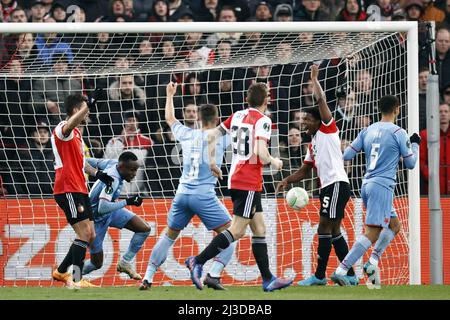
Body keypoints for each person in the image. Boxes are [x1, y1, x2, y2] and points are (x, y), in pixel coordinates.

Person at [185, 82, 293, 292]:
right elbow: (261, 152)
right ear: (266, 100)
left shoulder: (237, 115)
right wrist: (275, 162)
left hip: (238, 178)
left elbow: (210, 136)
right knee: (237, 230)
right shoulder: (263, 120)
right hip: (247, 181)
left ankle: (268, 278)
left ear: (247, 99)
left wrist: (213, 163)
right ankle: (197, 261)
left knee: (259, 228)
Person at [139, 82, 236, 291]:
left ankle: (147, 277)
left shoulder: (187, 134)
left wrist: (170, 95)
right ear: (217, 120)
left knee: (169, 235)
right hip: (203, 196)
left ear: (198, 119)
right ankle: (213, 274)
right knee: (231, 234)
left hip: (182, 193)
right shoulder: (221, 136)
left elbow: (170, 118)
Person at [276, 65, 357, 286]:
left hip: (337, 185)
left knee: (324, 227)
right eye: (302, 122)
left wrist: (314, 79)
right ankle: (350, 275)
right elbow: (304, 171)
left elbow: (321, 101)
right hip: (328, 188)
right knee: (335, 230)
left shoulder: (328, 130)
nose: (303, 124)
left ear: (318, 121)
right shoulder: (311, 144)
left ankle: (320, 277)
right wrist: (286, 180)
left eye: (307, 121)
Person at [330, 95, 420, 287]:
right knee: (373, 232)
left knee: (394, 225)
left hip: (367, 185)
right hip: (383, 186)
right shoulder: (398, 132)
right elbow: (411, 164)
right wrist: (415, 144)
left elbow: (347, 154)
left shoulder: (367, 130)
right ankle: (341, 269)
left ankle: (372, 263)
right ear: (397, 109)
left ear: (380, 109)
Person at [51, 93, 114, 289]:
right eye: (85, 110)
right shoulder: (63, 129)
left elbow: (81, 163)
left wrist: (98, 174)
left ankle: (61, 272)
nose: (88, 114)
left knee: (91, 234)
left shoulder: (77, 135)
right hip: (67, 188)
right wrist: (88, 106)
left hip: (79, 188)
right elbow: (69, 125)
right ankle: (76, 280)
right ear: (77, 110)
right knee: (84, 234)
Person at [81, 152, 151, 280]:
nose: (134, 174)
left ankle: (125, 262)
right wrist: (128, 202)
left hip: (110, 212)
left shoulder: (112, 163)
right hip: (95, 220)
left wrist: (94, 172)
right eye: (132, 170)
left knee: (144, 229)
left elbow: (84, 160)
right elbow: (102, 208)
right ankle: (72, 276)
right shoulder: (113, 180)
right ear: (122, 167)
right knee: (96, 263)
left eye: (136, 170)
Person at [420, 103, 450, 195]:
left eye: (446, 111)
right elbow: (421, 161)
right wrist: (431, 176)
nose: (443, 114)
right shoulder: (425, 135)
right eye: (440, 112)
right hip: (432, 187)